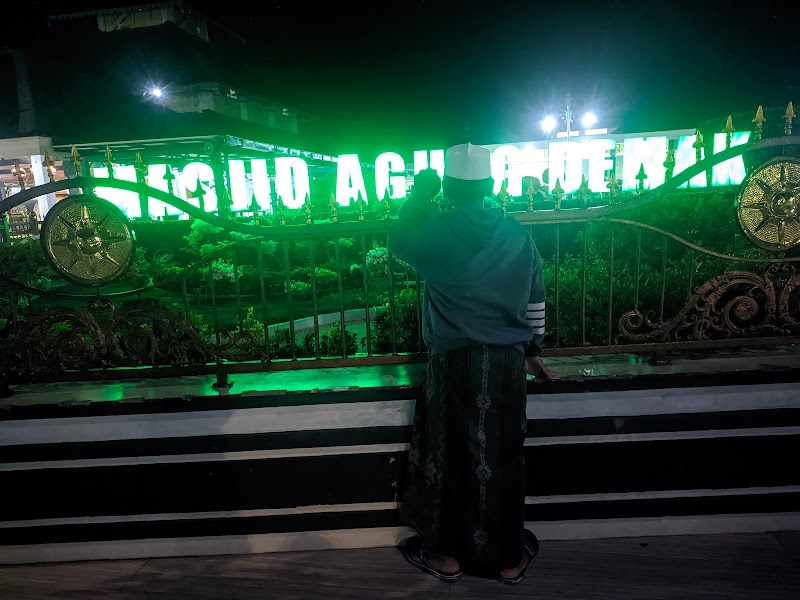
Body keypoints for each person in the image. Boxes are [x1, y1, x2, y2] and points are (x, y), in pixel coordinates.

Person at [388, 143, 555, 585]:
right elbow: (535, 296)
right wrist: (534, 351)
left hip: (455, 362)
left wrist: (419, 196)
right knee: (504, 458)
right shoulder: (519, 235)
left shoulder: (435, 232)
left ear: (447, 187)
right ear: (491, 186)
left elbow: (398, 238)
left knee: (452, 458)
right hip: (506, 364)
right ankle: (508, 561)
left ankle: (446, 557)